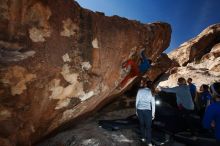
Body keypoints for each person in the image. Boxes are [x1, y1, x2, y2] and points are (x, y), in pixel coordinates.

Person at [136, 78, 155, 146]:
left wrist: (136, 111)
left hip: (140, 109)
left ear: (146, 84)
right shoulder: (152, 92)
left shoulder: (140, 90)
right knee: (148, 127)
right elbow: (153, 104)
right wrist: (153, 114)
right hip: (147, 111)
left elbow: (137, 101)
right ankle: (149, 142)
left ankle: (143, 138)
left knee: (142, 124)